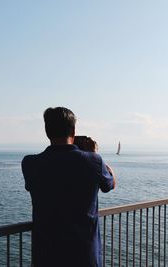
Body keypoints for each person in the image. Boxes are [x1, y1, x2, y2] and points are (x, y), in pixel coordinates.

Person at [21, 107, 116, 267]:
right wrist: (94, 154)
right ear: (73, 130)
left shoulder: (30, 163)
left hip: (47, 256)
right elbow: (109, 184)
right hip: (85, 255)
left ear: (46, 131)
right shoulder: (93, 161)